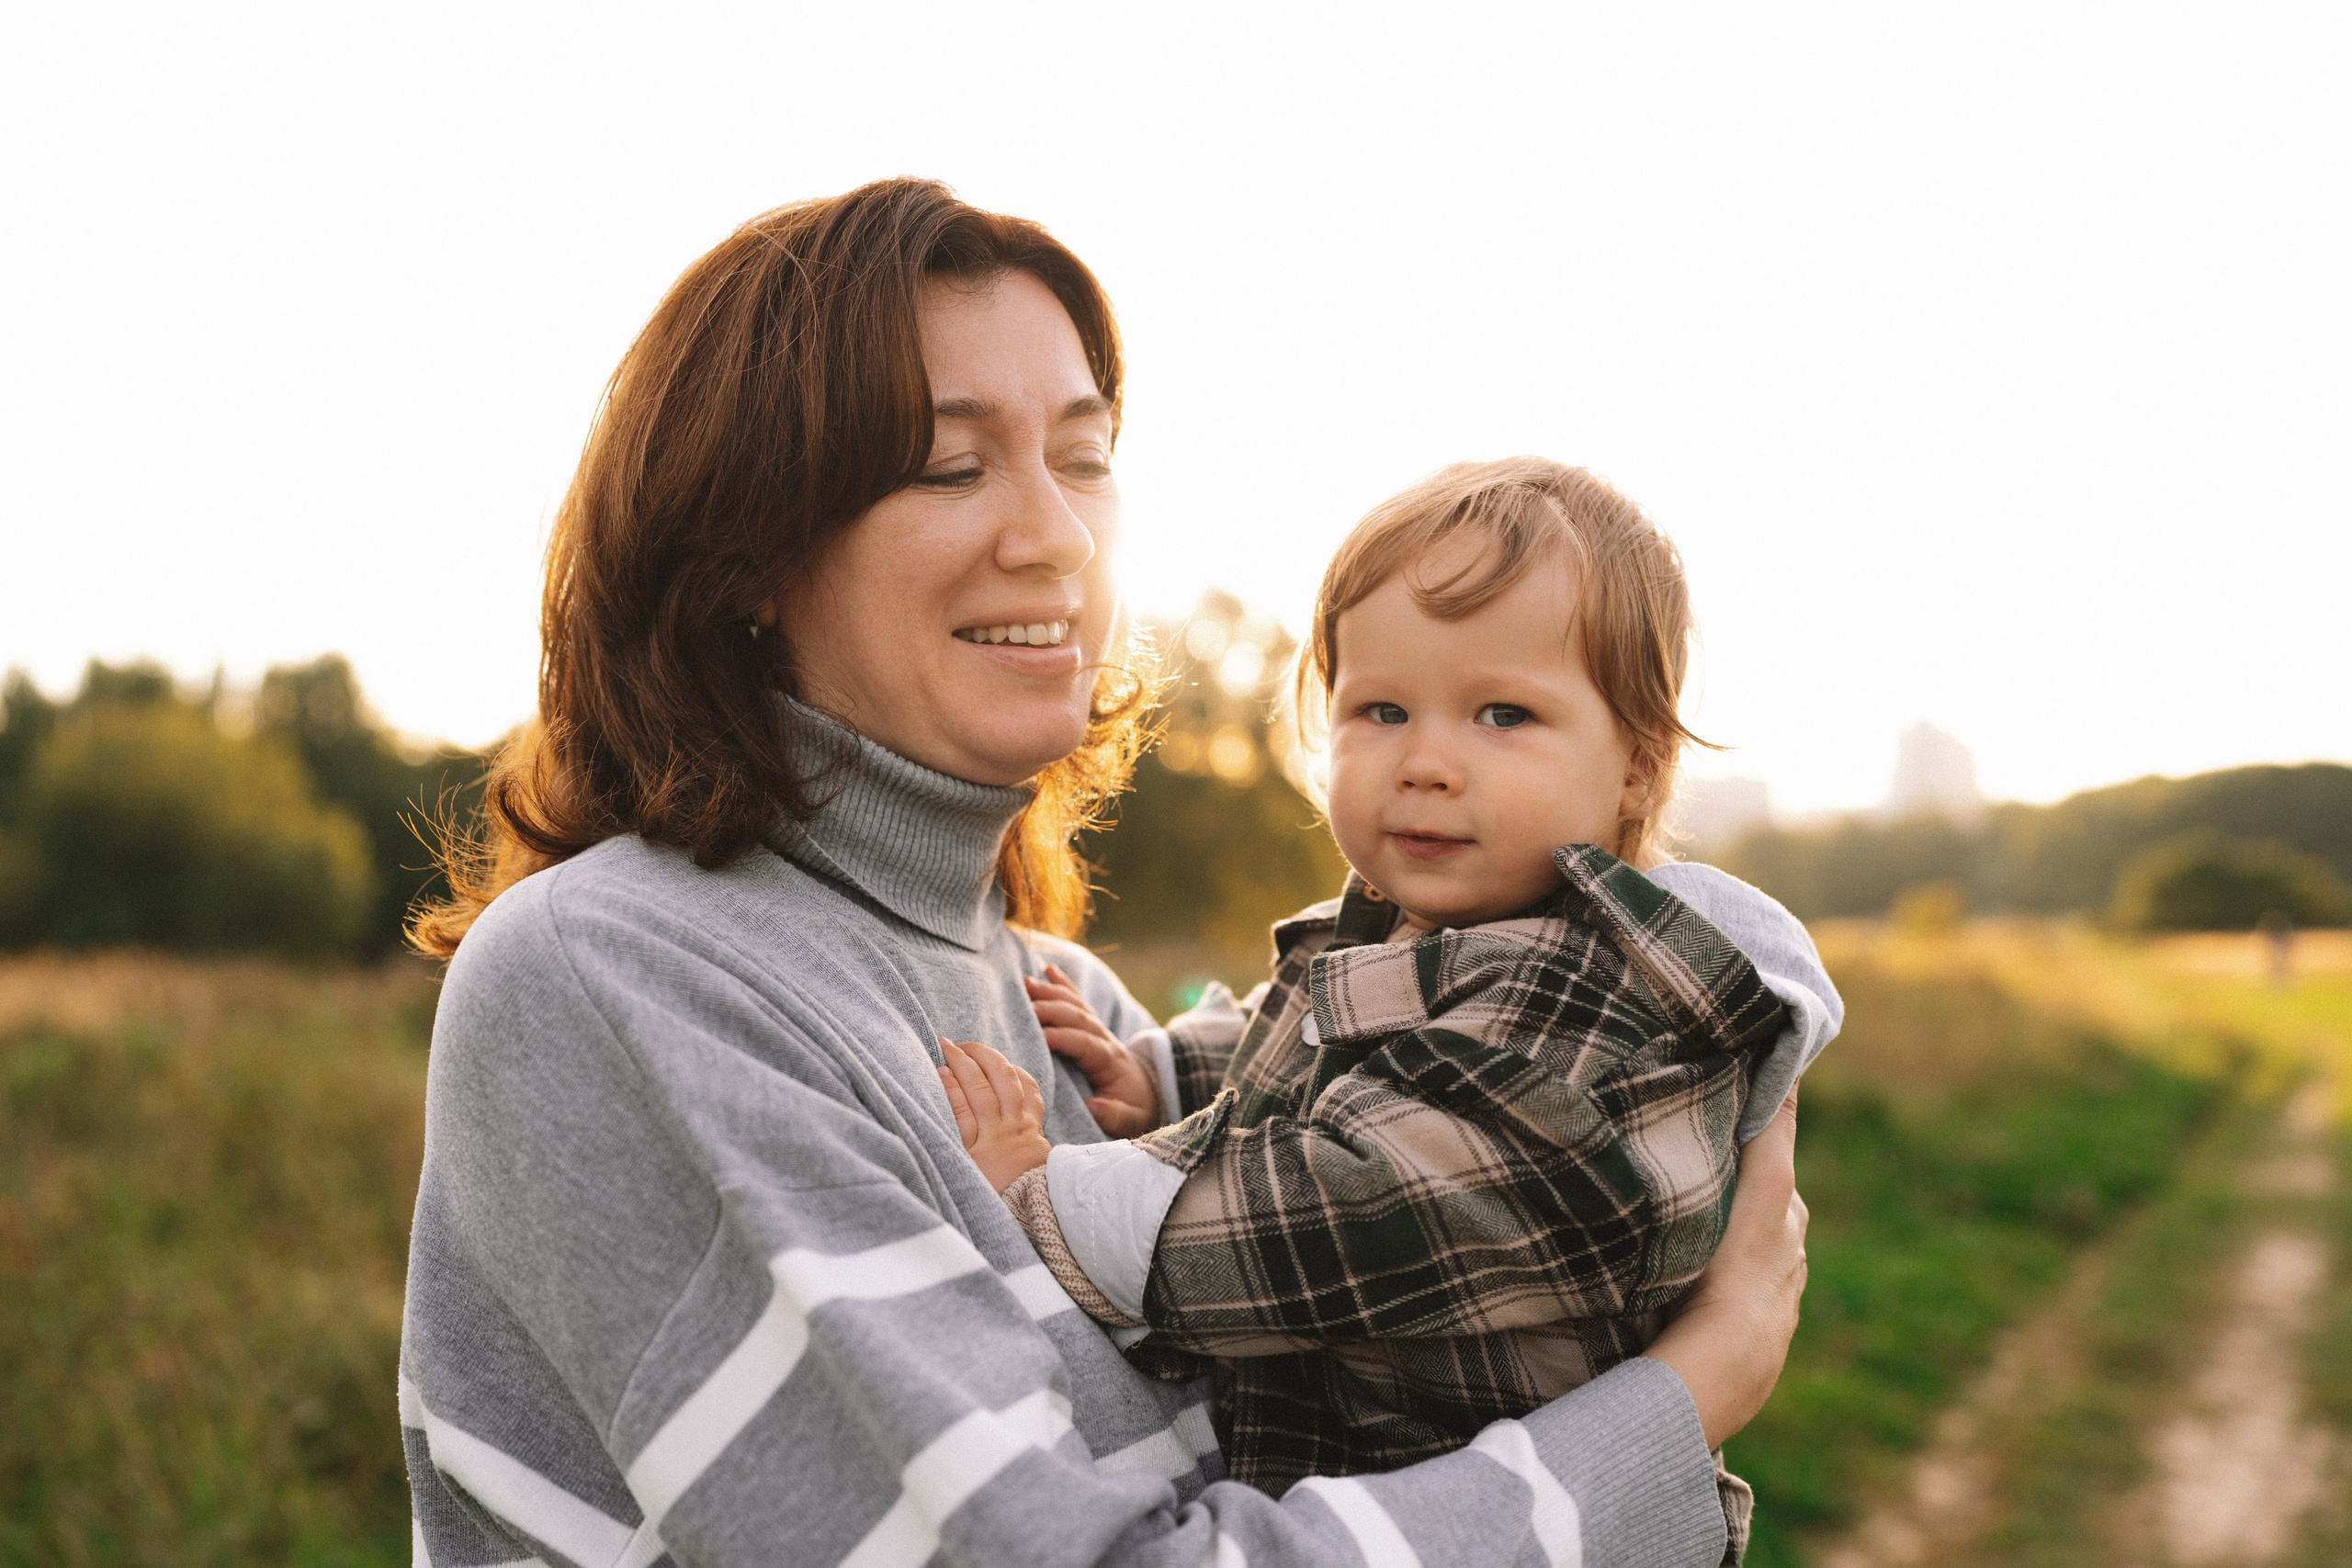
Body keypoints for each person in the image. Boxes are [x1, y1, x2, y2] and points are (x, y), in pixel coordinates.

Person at [399, 177, 1811, 1568]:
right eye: (953, 466)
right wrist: (1678, 1405)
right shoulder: (615, 976)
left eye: (1082, 456)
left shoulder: (1072, 998)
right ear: (746, 551)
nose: (1059, 536)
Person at [940, 459, 1840, 1558]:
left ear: (1636, 771)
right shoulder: (1410, 930)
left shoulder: (1603, 1008)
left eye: (1502, 714)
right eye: (1380, 709)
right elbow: (1316, 1040)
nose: (1424, 762)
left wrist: (1046, 1201)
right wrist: (1172, 1078)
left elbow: (1360, 1210)